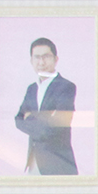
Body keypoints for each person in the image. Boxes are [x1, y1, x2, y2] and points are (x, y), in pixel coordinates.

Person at [14, 36, 77, 175]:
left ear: (56, 59)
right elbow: (18, 120)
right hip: (32, 162)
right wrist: (45, 119)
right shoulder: (32, 89)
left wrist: (31, 118)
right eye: (37, 57)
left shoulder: (66, 87)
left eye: (46, 57)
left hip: (58, 164)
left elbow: (60, 124)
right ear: (31, 61)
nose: (41, 62)